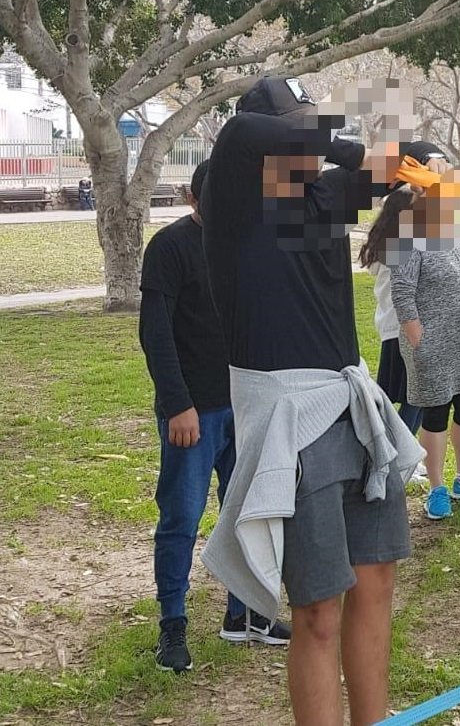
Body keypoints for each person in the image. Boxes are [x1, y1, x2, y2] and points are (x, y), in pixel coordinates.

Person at [199, 75, 424, 726]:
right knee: (320, 608)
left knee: (376, 580)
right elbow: (247, 133)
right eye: (295, 123)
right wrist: (352, 145)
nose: (306, 136)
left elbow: (397, 170)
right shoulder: (233, 191)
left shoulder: (317, 194)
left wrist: (417, 163)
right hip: (289, 422)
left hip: (351, 406)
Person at [138, 160, 290, 674]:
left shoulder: (245, 246)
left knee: (246, 511)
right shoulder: (169, 247)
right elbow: (155, 334)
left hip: (246, 406)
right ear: (192, 196)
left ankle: (243, 612)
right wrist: (178, 404)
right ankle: (172, 623)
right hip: (193, 414)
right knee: (181, 517)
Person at [391, 177, 460, 520]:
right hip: (432, 348)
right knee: (436, 414)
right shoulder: (408, 239)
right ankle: (437, 487)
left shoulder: (454, 235)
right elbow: (401, 291)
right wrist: (418, 340)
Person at [361, 188, 426, 434]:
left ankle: (398, 452)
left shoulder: (389, 243)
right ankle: (397, 453)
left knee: (415, 397)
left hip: (394, 326)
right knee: (414, 397)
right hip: (404, 327)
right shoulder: (401, 245)